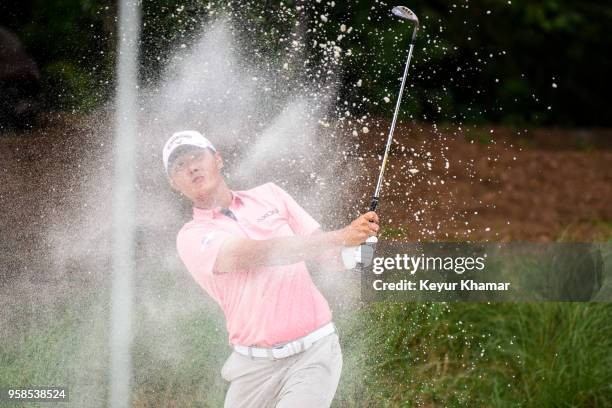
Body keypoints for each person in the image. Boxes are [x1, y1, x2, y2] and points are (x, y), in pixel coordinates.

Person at [163, 130, 379, 408]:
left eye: (196, 157)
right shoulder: (191, 236)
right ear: (174, 183)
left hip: (314, 353)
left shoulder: (271, 195)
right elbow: (258, 254)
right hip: (252, 369)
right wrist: (340, 236)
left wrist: (356, 250)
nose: (191, 167)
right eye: (179, 165)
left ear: (217, 159)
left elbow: (329, 256)